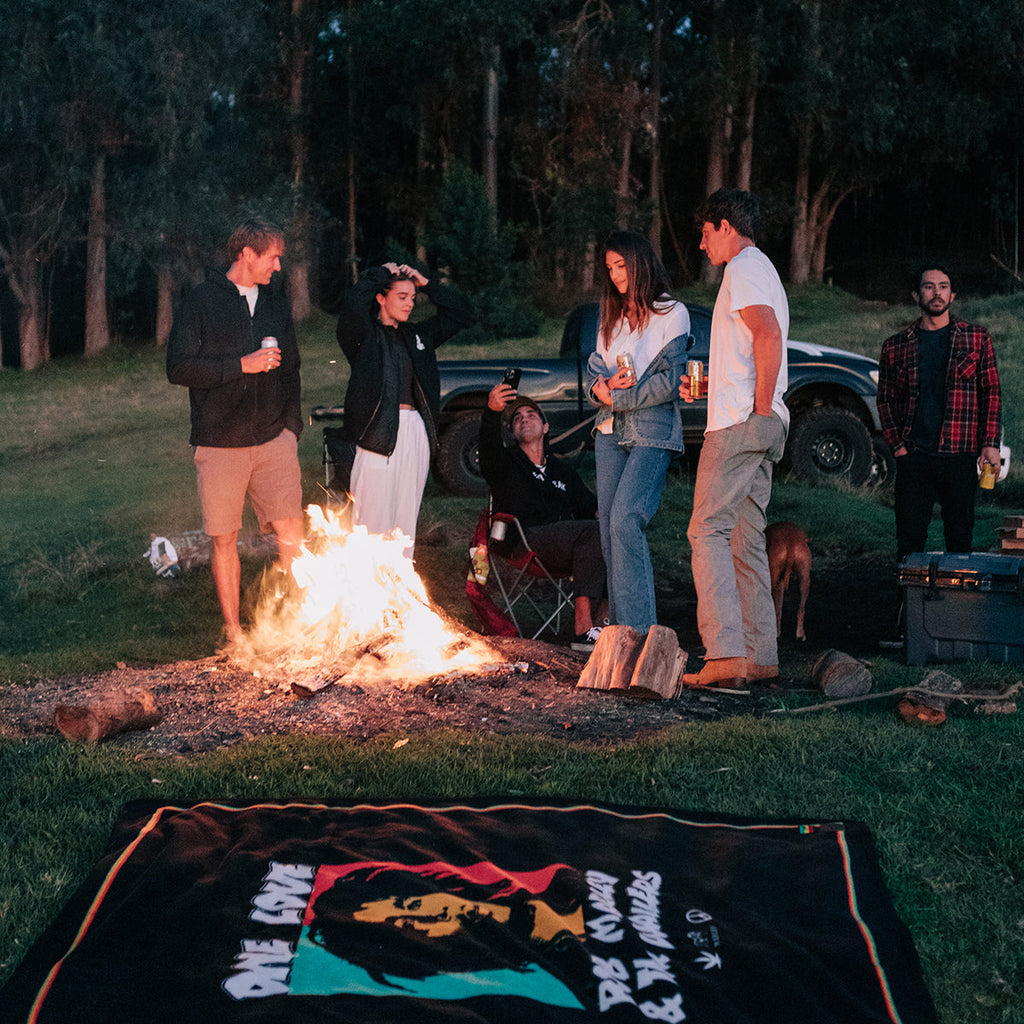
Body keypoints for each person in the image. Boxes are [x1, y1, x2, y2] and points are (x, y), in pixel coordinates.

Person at [167, 218, 304, 645]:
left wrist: (292, 427)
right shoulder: (201, 301)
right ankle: (234, 633)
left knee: (292, 535)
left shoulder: (275, 302)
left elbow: (292, 368)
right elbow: (179, 368)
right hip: (220, 443)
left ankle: (295, 625)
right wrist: (240, 366)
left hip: (273, 439)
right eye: (272, 257)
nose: (278, 266)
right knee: (225, 540)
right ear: (246, 254)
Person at [681, 189, 789, 690]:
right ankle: (759, 655)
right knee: (746, 538)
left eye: (706, 233)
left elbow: (767, 335)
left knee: (706, 531)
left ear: (726, 226)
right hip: (763, 421)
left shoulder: (742, 267)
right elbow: (754, 345)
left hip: (741, 423)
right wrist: (714, 387)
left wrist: (756, 406)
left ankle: (724, 653)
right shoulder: (764, 269)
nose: (702, 244)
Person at [876, 264, 1001, 647]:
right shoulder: (896, 345)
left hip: (960, 455)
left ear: (953, 295)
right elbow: (885, 400)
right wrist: (898, 446)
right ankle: (907, 625)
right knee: (909, 542)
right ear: (917, 295)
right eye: (929, 287)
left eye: (943, 286)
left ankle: (958, 624)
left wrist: (990, 443)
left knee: (959, 541)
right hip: (915, 457)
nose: (936, 293)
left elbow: (991, 393)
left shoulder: (976, 338)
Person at [585, 230, 690, 635]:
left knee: (626, 521)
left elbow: (672, 381)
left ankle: (642, 634)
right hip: (608, 432)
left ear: (640, 263)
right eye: (609, 268)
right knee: (609, 534)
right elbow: (595, 378)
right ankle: (620, 635)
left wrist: (618, 398)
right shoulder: (609, 319)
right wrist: (601, 390)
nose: (614, 275)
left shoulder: (671, 313)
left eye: (621, 265)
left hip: (651, 431)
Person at [335, 263, 474, 558]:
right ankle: (366, 581)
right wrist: (379, 273)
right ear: (381, 298)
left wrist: (428, 285)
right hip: (376, 432)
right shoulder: (363, 335)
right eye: (402, 297)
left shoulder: (418, 334)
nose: (410, 303)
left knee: (404, 518)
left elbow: (462, 313)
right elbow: (352, 305)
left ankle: (400, 580)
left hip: (415, 429)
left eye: (412, 298)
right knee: (371, 518)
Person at [479, 383, 607, 650]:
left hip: (565, 543)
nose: (524, 419)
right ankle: (583, 629)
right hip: (524, 539)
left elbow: (590, 508)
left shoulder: (563, 472)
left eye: (531, 415)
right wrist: (492, 412)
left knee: (613, 534)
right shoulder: (505, 463)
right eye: (517, 418)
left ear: (546, 427)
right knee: (594, 533)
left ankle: (603, 626)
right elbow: (488, 450)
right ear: (513, 432)